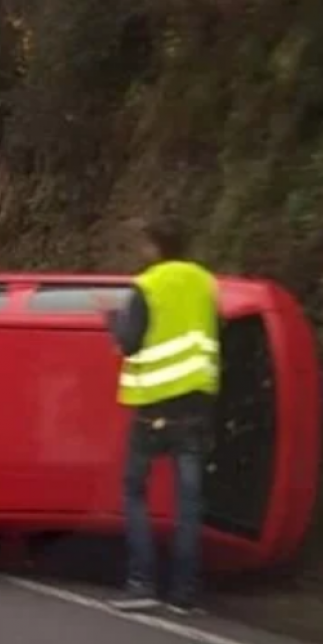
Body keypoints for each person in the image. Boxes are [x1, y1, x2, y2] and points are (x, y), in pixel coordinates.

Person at [98, 216, 220, 616]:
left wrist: (111, 322)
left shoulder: (147, 286)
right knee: (190, 502)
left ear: (154, 247)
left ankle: (142, 584)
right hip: (197, 406)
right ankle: (185, 594)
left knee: (135, 491)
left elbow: (130, 344)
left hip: (154, 407)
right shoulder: (206, 282)